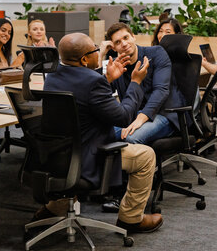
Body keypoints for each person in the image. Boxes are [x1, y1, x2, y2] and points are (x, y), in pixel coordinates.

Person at [42, 32, 163, 233]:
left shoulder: (53, 75)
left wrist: (106, 78)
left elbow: (82, 96)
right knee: (146, 155)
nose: (98, 53)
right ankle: (131, 219)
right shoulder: (92, 81)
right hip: (88, 156)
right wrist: (135, 83)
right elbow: (124, 117)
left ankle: (55, 207)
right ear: (83, 59)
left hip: (57, 153)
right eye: (95, 51)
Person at [100, 23, 184, 145]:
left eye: (126, 38)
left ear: (133, 37)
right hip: (132, 115)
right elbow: (99, 90)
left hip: (163, 113)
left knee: (131, 138)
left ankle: (131, 163)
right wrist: (100, 56)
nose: (124, 44)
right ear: (113, 48)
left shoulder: (156, 53)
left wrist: (141, 118)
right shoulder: (117, 65)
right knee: (97, 133)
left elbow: (161, 90)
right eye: (118, 42)